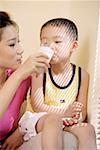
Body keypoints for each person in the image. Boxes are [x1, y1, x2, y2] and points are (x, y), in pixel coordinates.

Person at [18, 18, 97, 150]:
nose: (50, 46)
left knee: (87, 129)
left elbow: (81, 107)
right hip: (39, 119)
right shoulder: (39, 70)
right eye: (44, 42)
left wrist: (77, 116)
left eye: (57, 42)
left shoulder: (82, 74)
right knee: (53, 120)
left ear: (73, 46)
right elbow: (38, 106)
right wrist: (64, 113)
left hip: (65, 120)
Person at [0, 11, 50, 150]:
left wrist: (20, 131)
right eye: (12, 44)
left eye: (19, 42)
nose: (21, 50)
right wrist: (20, 73)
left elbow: (31, 109)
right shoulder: (19, 76)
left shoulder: (23, 79)